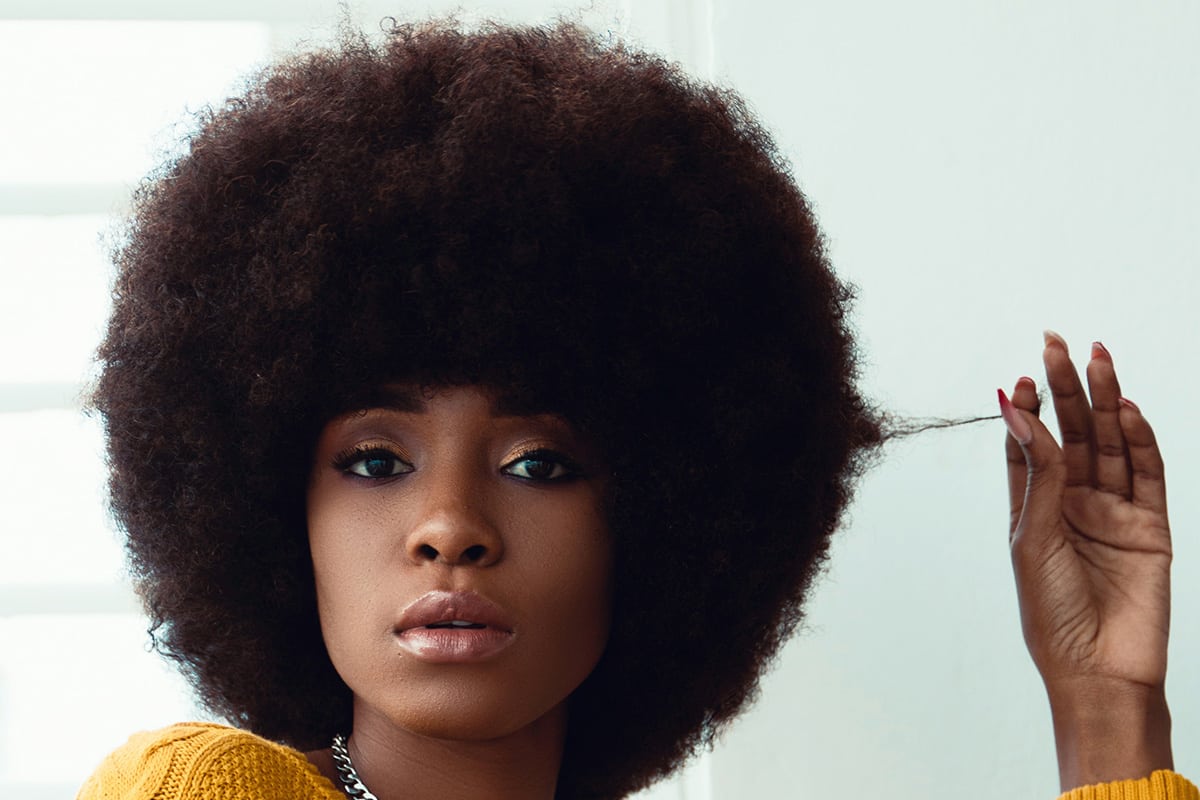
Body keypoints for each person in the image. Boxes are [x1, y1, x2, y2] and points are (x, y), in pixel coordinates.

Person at [78, 19, 1193, 800]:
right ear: (276, 517)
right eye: (376, 460)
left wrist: (1104, 704)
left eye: (540, 463)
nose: (450, 526)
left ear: (667, 524)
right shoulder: (206, 788)